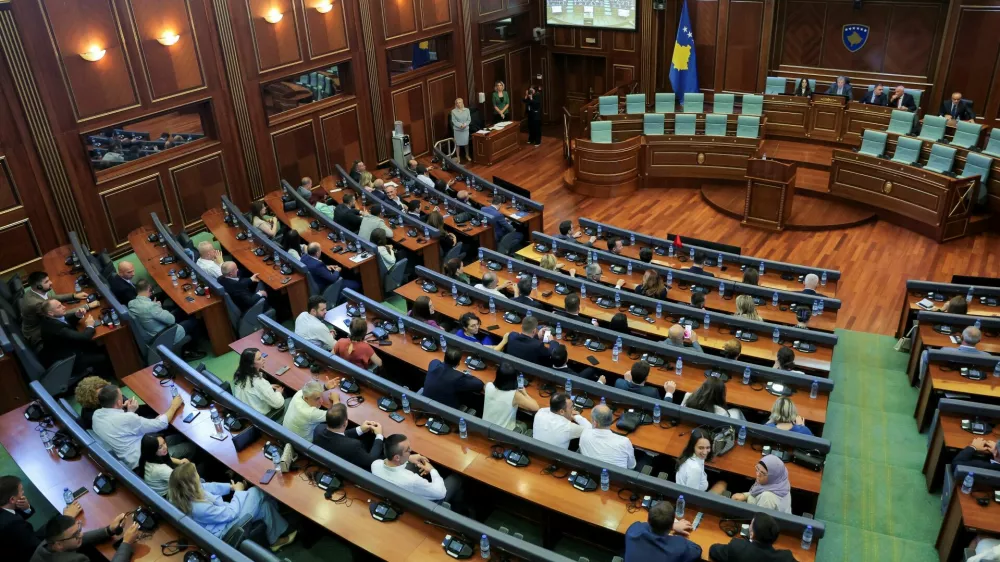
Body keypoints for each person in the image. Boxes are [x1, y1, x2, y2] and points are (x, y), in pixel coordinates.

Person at [167, 463, 295, 551]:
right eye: (196, 474)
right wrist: (239, 491)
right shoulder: (198, 508)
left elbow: (209, 486)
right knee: (256, 492)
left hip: (225, 515)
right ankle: (280, 509)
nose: (198, 475)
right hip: (227, 528)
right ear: (190, 484)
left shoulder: (184, 494)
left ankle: (275, 541)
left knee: (264, 506)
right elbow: (230, 513)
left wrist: (231, 487)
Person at [92, 384, 188, 469]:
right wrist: (174, 406)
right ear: (118, 402)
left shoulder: (96, 415)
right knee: (189, 447)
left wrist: (128, 411)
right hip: (145, 461)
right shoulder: (127, 418)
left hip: (133, 453)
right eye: (121, 397)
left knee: (178, 437)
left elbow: (120, 424)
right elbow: (160, 424)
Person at [0, 475, 82, 562]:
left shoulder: (5, 511)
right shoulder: (13, 525)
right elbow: (39, 547)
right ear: (12, 499)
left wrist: (26, 508)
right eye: (21, 491)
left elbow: (17, 518)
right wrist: (65, 518)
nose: (23, 493)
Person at [372, 434, 462, 505]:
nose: (411, 450)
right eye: (408, 450)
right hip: (429, 503)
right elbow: (440, 493)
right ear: (397, 457)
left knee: (415, 465)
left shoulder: (375, 465)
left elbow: (393, 465)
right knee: (457, 478)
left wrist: (409, 457)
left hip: (399, 498)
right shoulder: (412, 480)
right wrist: (432, 470)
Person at [128, 279, 205, 360]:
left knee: (181, 311)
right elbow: (171, 320)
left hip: (152, 329)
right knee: (194, 322)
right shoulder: (151, 307)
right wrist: (158, 306)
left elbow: (149, 312)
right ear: (148, 289)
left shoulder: (131, 304)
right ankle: (189, 351)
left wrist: (154, 306)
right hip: (165, 334)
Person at [20, 271, 95, 346]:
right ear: (38, 286)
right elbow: (59, 314)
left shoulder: (33, 292)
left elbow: (51, 298)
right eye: (47, 282)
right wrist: (87, 306)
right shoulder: (37, 304)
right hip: (38, 334)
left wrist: (73, 296)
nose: (51, 282)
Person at [37, 299, 109, 376]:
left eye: (61, 304)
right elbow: (84, 338)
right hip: (70, 360)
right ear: (50, 313)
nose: (64, 307)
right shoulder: (58, 329)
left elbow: (64, 319)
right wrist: (90, 325)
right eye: (59, 307)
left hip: (64, 349)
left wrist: (77, 315)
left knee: (97, 344)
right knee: (104, 356)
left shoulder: (48, 318)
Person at [32, 512, 138, 562]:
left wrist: (109, 530)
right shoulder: (76, 560)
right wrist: (126, 543)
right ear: (59, 545)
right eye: (76, 534)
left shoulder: (46, 544)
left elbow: (76, 539)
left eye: (79, 529)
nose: (81, 534)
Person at [623, 500, 701, 562]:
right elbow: (697, 550)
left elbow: (644, 525)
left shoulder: (633, 531)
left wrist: (671, 526)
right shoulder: (679, 547)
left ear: (648, 519)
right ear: (671, 524)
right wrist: (673, 530)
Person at [313, 404, 384, 470]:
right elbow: (371, 461)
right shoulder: (353, 445)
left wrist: (360, 429)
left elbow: (337, 435)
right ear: (345, 423)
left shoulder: (319, 428)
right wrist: (379, 435)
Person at [708, 513, 797, 562]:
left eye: (751, 524)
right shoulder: (786, 557)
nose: (749, 525)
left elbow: (713, 550)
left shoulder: (738, 547)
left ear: (752, 534)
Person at [233, 348, 287, 420]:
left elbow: (253, 391)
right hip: (263, 418)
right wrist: (278, 393)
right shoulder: (259, 383)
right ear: (251, 365)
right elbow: (278, 404)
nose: (263, 359)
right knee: (290, 399)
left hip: (247, 415)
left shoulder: (238, 376)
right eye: (259, 359)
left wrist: (268, 387)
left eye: (261, 356)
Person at [483, 362, 538, 433]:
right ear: (514, 379)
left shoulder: (488, 386)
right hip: (504, 434)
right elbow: (536, 407)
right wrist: (525, 393)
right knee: (527, 423)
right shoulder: (515, 395)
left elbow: (489, 387)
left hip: (485, 429)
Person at [580, 405, 636, 469]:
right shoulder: (624, 442)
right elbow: (631, 466)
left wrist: (577, 416)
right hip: (616, 478)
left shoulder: (585, 434)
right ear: (612, 419)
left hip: (590, 474)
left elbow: (587, 426)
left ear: (595, 423)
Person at [675, 429, 728, 494]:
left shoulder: (689, 455)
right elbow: (691, 496)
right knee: (722, 484)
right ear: (693, 447)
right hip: (695, 500)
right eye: (701, 448)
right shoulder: (695, 469)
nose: (705, 452)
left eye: (708, 447)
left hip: (693, 488)